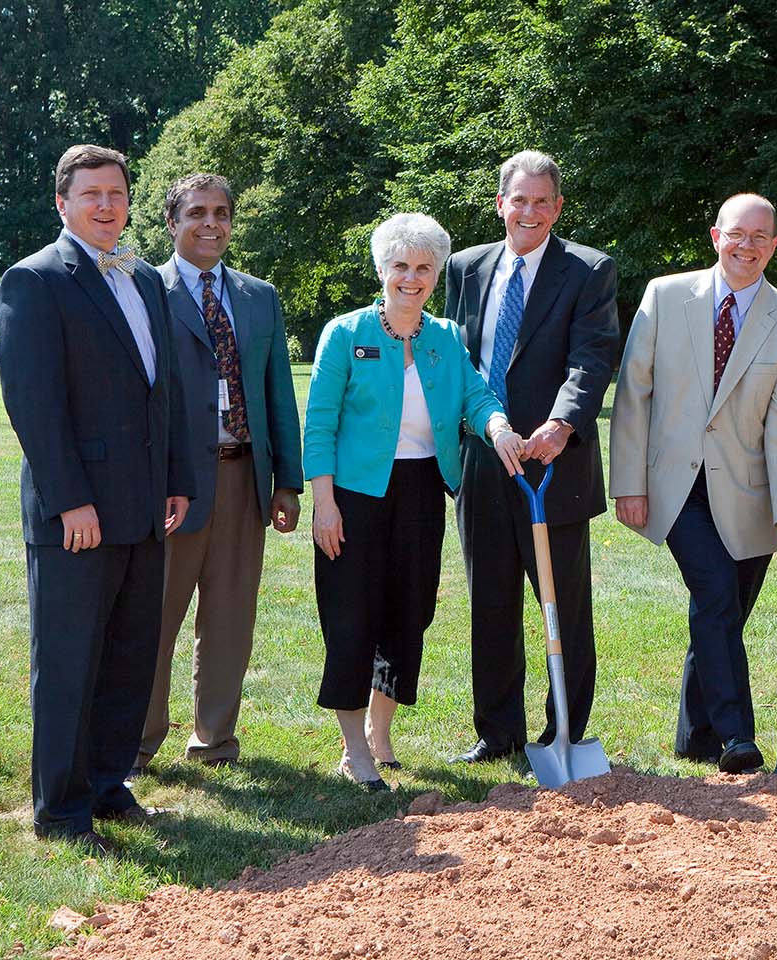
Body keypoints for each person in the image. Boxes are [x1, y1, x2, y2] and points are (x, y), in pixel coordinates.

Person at [0, 144, 193, 852]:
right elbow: (33, 402)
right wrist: (70, 500)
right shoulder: (35, 281)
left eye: (116, 193)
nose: (106, 205)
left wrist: (177, 479)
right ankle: (61, 812)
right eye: (92, 194)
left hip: (144, 509)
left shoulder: (142, 279)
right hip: (78, 515)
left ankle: (109, 786)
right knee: (71, 662)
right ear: (63, 203)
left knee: (129, 658)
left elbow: (161, 392)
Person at [303, 212, 525, 790]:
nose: (411, 277)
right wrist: (323, 504)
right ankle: (354, 750)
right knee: (352, 618)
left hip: (423, 492)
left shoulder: (446, 337)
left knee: (409, 616)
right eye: (400, 265)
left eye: (423, 267)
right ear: (382, 269)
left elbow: (476, 396)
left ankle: (379, 733)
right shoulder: (347, 334)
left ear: (435, 276)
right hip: (353, 497)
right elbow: (320, 423)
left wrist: (498, 427)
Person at [610, 193, 777, 774]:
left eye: (759, 237)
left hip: (747, 494)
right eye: (736, 234)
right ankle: (735, 736)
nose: (746, 246)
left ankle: (694, 733)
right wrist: (629, 480)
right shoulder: (665, 296)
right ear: (714, 235)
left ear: (774, 246)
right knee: (717, 596)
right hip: (675, 488)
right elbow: (633, 393)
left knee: (723, 610)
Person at [443, 150, 619, 764]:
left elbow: (592, 358)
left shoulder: (587, 270)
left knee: (561, 602)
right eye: (520, 199)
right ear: (501, 203)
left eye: (543, 201)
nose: (530, 211)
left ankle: (562, 730)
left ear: (558, 208)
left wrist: (561, 425)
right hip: (483, 460)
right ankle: (498, 732)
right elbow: (457, 358)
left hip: (553, 463)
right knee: (489, 601)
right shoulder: (464, 268)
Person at [134, 173, 303, 777]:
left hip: (242, 479)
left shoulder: (259, 296)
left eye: (222, 213)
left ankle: (215, 740)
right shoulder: (143, 289)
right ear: (172, 224)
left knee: (230, 617)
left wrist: (286, 477)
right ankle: (138, 741)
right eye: (198, 213)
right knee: (153, 618)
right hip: (174, 483)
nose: (212, 223)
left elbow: (276, 388)